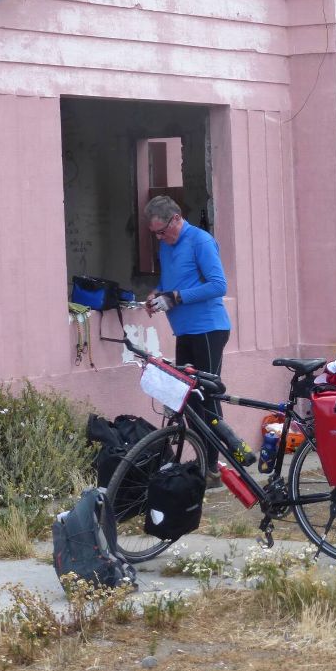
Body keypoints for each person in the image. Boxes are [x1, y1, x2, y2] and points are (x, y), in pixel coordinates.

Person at [144, 195, 232, 482]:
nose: (160, 237)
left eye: (162, 231)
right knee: (188, 397)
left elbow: (218, 285)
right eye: (155, 233)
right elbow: (171, 283)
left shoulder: (200, 241)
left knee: (207, 397)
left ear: (177, 218)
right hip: (184, 330)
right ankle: (199, 460)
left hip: (208, 328)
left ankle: (212, 466)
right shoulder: (166, 245)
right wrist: (157, 294)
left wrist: (177, 297)